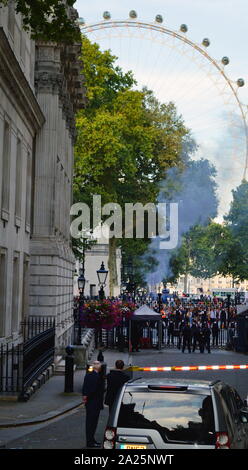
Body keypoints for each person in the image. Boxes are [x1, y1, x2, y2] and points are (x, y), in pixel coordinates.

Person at [82, 361, 105, 448]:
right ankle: (90, 442)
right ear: (98, 368)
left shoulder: (88, 375)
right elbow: (95, 390)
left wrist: (85, 396)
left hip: (90, 403)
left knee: (90, 423)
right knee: (92, 423)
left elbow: (85, 387)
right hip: (95, 403)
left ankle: (91, 440)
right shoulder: (97, 377)